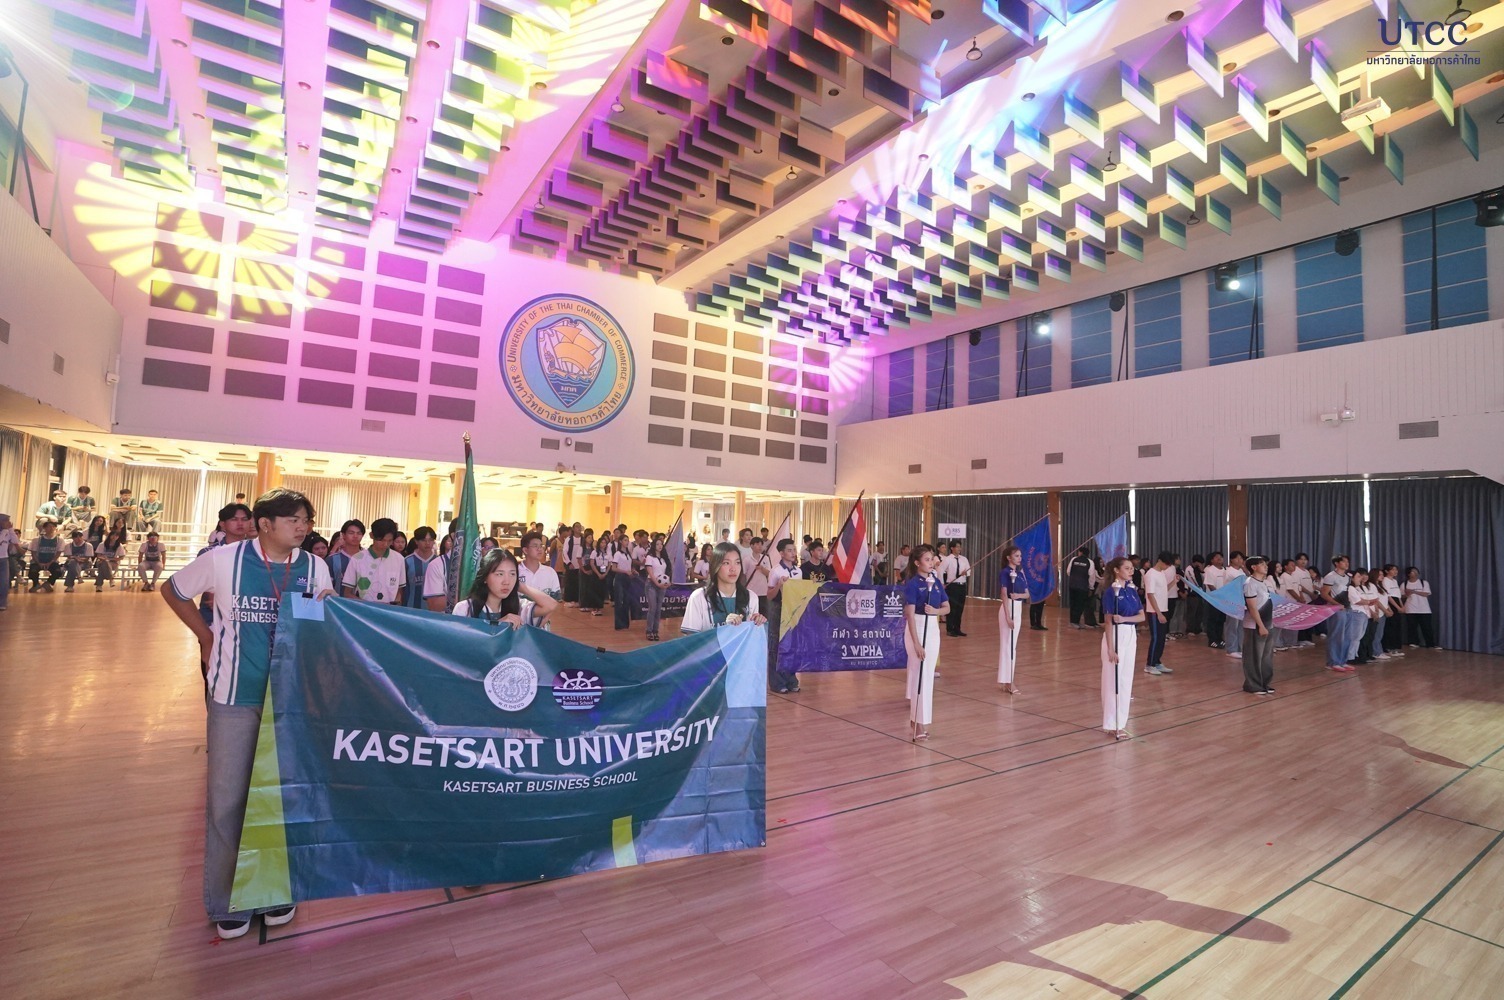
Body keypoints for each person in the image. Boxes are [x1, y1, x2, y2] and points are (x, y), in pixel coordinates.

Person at [160, 487, 333, 940]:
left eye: (307, 520)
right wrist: (205, 637)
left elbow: (323, 619)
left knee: (279, 799)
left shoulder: (314, 566)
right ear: (265, 524)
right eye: (295, 519)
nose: (303, 527)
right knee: (228, 800)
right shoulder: (224, 560)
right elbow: (172, 590)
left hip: (290, 702)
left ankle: (275, 891)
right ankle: (227, 899)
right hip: (234, 698)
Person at [900, 545, 949, 742]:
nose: (931, 563)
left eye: (932, 559)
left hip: (933, 629)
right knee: (919, 676)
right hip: (918, 629)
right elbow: (909, 615)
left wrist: (936, 611)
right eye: (927, 559)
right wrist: (917, 643)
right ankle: (917, 723)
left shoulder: (935, 582)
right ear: (917, 563)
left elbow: (947, 607)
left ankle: (919, 720)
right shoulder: (912, 584)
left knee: (927, 677)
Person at [453, 547, 557, 628]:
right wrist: (498, 626)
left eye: (512, 574)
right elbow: (461, 644)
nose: (506, 582)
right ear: (485, 577)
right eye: (500, 574)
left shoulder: (519, 607)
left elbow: (551, 605)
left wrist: (518, 585)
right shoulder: (465, 609)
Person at [1100, 557, 1144, 741]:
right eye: (1127, 568)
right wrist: (1111, 649)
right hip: (1115, 636)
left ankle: (1121, 722)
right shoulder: (1111, 592)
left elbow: (1141, 616)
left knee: (1126, 679)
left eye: (1132, 568)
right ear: (1117, 570)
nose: (1131, 571)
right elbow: (1108, 622)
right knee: (1113, 681)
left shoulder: (1132, 591)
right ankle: (1112, 724)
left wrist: (1125, 619)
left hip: (1130, 634)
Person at [680, 542, 766, 635]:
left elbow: (751, 637)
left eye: (737, 563)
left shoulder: (751, 597)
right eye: (726, 563)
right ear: (715, 566)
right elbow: (691, 639)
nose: (733, 569)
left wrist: (757, 623)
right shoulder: (699, 597)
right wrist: (725, 628)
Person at [764, 539, 803, 694]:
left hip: (793, 610)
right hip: (778, 609)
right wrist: (779, 585)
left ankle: (791, 680)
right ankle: (777, 682)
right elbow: (769, 595)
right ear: (781, 553)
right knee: (776, 646)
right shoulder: (775, 571)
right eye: (789, 550)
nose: (793, 553)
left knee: (791, 645)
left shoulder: (798, 571)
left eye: (794, 550)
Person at [343, 517, 406, 605]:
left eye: (389, 541)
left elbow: (400, 590)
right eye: (381, 540)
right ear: (371, 535)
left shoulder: (399, 559)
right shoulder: (357, 559)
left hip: (389, 610)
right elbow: (347, 593)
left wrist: (395, 604)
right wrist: (368, 606)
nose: (385, 544)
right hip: (364, 610)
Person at [1241, 558, 1276, 695]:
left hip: (1268, 624)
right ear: (1254, 567)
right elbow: (1252, 607)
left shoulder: (1263, 583)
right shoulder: (1250, 583)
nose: (1265, 566)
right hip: (1255, 625)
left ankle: (1264, 683)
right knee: (1254, 656)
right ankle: (1252, 684)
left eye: (1265, 564)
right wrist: (1260, 625)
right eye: (1262, 564)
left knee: (1266, 656)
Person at [997, 545, 1027, 695]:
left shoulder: (1020, 574)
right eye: (1016, 556)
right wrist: (1008, 616)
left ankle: (1007, 680)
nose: (1019, 558)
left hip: (1018, 607)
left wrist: (1019, 596)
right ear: (1009, 558)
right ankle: (1009, 681)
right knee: (1007, 645)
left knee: (1012, 645)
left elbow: (1027, 593)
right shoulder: (1005, 572)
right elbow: (1003, 593)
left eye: (1020, 556)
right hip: (1008, 607)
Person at [518, 531, 562, 629]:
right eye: (535, 546)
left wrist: (546, 618)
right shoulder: (515, 572)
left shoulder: (550, 572)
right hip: (519, 624)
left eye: (541, 546)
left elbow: (555, 599)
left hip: (543, 625)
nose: (540, 549)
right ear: (525, 550)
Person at [1321, 556, 1359, 671]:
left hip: (1347, 608)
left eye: (1348, 561)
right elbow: (1324, 594)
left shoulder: (1347, 577)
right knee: (1336, 635)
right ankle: (1333, 662)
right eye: (1344, 561)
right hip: (1336, 609)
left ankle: (1343, 661)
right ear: (1336, 563)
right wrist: (1336, 604)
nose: (1347, 563)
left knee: (1347, 636)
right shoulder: (1330, 576)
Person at [1142, 551, 1176, 676]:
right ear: (1160, 561)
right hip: (1154, 611)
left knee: (1162, 638)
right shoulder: (1151, 574)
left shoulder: (1161, 573)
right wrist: (1158, 613)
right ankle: (1149, 665)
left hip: (1163, 609)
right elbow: (1150, 595)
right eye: (1166, 564)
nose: (1167, 567)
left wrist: (1174, 582)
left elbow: (1164, 590)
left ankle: (1157, 662)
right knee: (1156, 638)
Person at [939, 541, 971, 638]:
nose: (959, 548)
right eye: (957, 547)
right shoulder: (947, 559)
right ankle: (950, 629)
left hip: (962, 586)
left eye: (960, 547)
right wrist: (942, 584)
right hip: (952, 586)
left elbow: (969, 571)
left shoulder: (964, 559)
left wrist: (966, 573)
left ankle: (957, 629)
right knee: (952, 608)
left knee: (960, 608)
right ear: (952, 548)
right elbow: (940, 570)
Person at [402, 527, 437, 610]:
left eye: (430, 540)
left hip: (433, 611)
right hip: (410, 608)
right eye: (424, 540)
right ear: (416, 541)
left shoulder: (439, 562)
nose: (427, 543)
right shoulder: (407, 561)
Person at [642, 537, 669, 641]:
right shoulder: (650, 557)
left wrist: (667, 582)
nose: (660, 546)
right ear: (654, 545)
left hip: (661, 585)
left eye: (661, 544)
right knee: (652, 608)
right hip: (651, 584)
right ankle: (649, 631)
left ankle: (655, 630)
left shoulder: (663, 558)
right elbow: (650, 572)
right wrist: (657, 583)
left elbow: (665, 573)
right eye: (657, 544)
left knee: (658, 609)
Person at [328, 519, 366, 587]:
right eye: (351, 533)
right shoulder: (332, 560)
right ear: (343, 535)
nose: (355, 536)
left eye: (359, 533)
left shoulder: (368, 558)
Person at [1222, 552, 1246, 659]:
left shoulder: (1241, 571)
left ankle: (1239, 648)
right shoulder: (1229, 571)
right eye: (1238, 558)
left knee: (1240, 626)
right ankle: (1231, 649)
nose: (1240, 560)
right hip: (1232, 601)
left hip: (1241, 600)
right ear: (1231, 560)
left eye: (1241, 558)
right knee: (1232, 625)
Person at [1402, 568, 1434, 648]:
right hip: (1410, 608)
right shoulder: (1404, 584)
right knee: (1412, 627)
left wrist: (1414, 591)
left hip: (1424, 609)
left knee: (1427, 627)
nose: (1415, 573)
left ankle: (1430, 644)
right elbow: (1401, 596)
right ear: (1408, 574)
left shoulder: (1424, 582)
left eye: (1416, 572)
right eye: (1413, 572)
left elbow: (1426, 594)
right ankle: (1413, 642)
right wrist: (1407, 594)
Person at [28, 522, 64, 591]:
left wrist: (50, 562)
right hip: (38, 561)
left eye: (53, 527)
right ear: (44, 528)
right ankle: (36, 584)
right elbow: (33, 553)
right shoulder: (37, 540)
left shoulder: (59, 540)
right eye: (49, 526)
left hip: (52, 562)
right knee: (32, 571)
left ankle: (48, 583)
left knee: (58, 572)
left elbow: (58, 553)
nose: (51, 528)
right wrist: (39, 563)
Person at [1379, 565, 1407, 657]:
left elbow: (1398, 595)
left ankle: (1395, 647)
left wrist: (1402, 606)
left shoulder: (1394, 581)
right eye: (1393, 569)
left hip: (1397, 602)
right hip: (1391, 603)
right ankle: (1388, 648)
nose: (1395, 571)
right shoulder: (1385, 580)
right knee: (1390, 626)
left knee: (1397, 626)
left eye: (1396, 569)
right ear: (1387, 571)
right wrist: (1397, 607)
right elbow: (1388, 596)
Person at [1202, 551, 1228, 649]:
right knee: (1213, 620)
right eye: (1217, 557)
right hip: (1213, 599)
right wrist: (1218, 595)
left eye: (1221, 557)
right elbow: (1210, 584)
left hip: (1224, 600)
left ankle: (1219, 639)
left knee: (1221, 620)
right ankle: (1212, 640)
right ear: (1212, 560)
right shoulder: (1210, 570)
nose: (1219, 558)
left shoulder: (1225, 570)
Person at [1066, 546, 1096, 629]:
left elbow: (1068, 572)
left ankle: (1073, 621)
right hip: (1083, 587)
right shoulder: (1090, 562)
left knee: (1073, 603)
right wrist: (1091, 588)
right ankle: (1076, 622)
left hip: (1072, 585)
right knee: (1080, 605)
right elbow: (1091, 576)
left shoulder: (1073, 559)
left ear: (1080, 552)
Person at [609, 535, 634, 631]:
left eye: (628, 540)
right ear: (620, 541)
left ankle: (625, 623)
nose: (627, 542)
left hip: (628, 578)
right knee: (619, 601)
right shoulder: (617, 554)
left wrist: (632, 570)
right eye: (625, 540)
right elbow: (613, 568)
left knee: (627, 601)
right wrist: (625, 571)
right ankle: (619, 624)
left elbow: (628, 565)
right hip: (620, 578)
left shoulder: (628, 554)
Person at [561, 523, 585, 607]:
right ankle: (569, 600)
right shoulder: (569, 539)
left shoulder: (583, 539)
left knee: (579, 583)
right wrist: (569, 563)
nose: (579, 528)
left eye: (580, 527)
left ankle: (578, 600)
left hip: (581, 566)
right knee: (570, 583)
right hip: (571, 565)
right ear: (573, 529)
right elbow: (564, 552)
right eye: (577, 527)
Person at [0, 514, 18, 611]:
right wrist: (4, 531)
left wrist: (11, 530)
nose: (9, 523)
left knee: (4, 582)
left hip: (4, 558)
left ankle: (2, 603)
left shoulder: (7, 531)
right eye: (6, 521)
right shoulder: (4, 532)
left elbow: (15, 541)